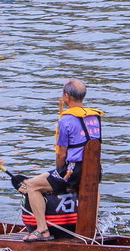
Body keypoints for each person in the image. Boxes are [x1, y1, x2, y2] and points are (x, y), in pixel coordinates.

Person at [19, 78, 102, 241]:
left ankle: (42, 230)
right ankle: (94, 225)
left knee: (31, 185)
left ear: (66, 96)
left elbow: (61, 155)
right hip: (95, 169)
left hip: (73, 171)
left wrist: (58, 172)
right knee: (93, 186)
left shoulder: (66, 120)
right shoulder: (96, 117)